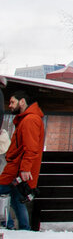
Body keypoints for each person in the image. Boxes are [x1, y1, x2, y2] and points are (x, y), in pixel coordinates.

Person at [0, 89, 44, 231]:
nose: (10, 106)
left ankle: (9, 225)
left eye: (12, 102)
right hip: (18, 169)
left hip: (17, 170)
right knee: (17, 199)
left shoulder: (30, 120)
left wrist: (25, 169)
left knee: (9, 193)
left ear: (22, 101)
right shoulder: (28, 119)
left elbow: (30, 148)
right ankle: (24, 230)